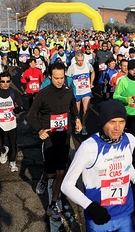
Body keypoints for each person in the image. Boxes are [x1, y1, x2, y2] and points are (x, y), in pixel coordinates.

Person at [61, 99, 135, 231]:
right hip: (99, 217)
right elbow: (66, 185)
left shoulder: (130, 140)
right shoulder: (89, 148)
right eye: (112, 122)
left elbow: (126, 164)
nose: (117, 127)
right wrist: (90, 206)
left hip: (124, 214)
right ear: (102, 123)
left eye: (121, 122)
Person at [27, 62, 82, 221]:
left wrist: (77, 119)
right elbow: (31, 115)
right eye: (56, 78)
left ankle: (52, 203)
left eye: (62, 78)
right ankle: (44, 179)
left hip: (64, 135)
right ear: (50, 76)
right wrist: (39, 130)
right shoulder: (42, 94)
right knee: (50, 172)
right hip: (49, 137)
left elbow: (73, 108)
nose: (59, 81)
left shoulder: (68, 90)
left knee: (61, 172)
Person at [113, 60, 135, 169]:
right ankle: (124, 156)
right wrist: (125, 99)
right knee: (124, 136)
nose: (134, 71)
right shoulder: (123, 81)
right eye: (132, 69)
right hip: (127, 113)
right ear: (128, 70)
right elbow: (115, 96)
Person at [66, 52, 95, 135]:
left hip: (86, 91)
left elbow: (93, 72)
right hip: (77, 92)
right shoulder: (72, 68)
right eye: (78, 60)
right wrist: (70, 88)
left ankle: (84, 125)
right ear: (75, 60)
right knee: (77, 111)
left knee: (86, 110)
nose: (80, 62)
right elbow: (68, 79)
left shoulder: (87, 65)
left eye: (81, 60)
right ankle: (77, 125)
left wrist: (91, 82)